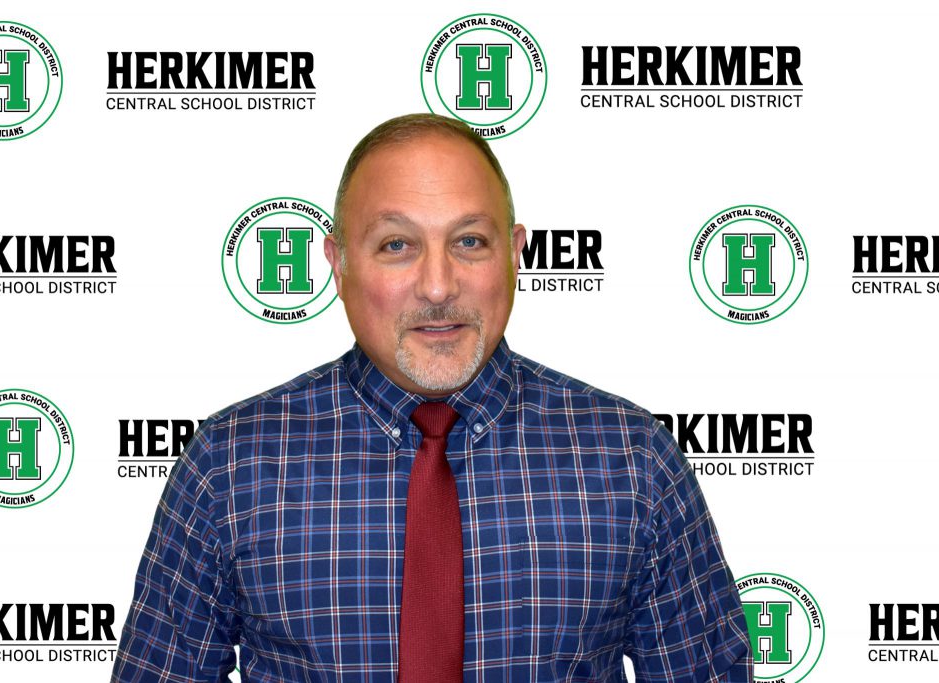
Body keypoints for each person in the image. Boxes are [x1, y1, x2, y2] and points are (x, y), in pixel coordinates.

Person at [112, 114, 752, 682]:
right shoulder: (233, 464)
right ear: (337, 264)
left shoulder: (632, 459)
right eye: (397, 245)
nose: (439, 285)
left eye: (469, 241)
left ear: (515, 253)